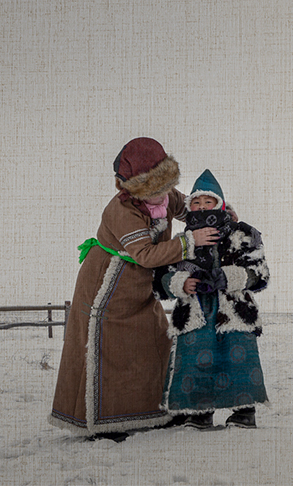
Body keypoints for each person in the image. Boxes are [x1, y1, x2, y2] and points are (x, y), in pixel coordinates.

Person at [50, 137, 220, 440]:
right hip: (109, 284)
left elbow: (190, 208)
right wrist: (189, 241)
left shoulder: (166, 195)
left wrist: (220, 214)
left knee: (155, 341)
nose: (161, 195)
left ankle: (151, 412)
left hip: (140, 284)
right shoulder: (122, 211)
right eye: (152, 191)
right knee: (110, 350)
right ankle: (103, 421)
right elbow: (145, 254)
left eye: (164, 187)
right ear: (134, 189)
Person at [154, 169, 270, 429]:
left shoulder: (242, 234)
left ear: (220, 204)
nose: (203, 206)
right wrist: (181, 283)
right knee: (195, 360)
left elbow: (260, 273)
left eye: (209, 201)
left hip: (234, 309)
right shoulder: (182, 241)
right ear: (189, 207)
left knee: (238, 357)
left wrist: (229, 277)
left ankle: (244, 412)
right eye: (196, 202)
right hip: (194, 310)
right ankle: (199, 412)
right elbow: (161, 279)